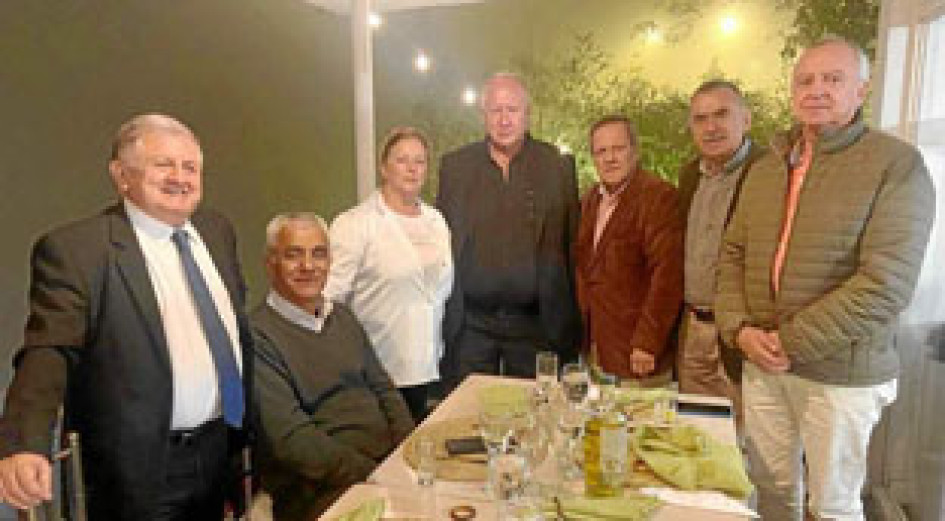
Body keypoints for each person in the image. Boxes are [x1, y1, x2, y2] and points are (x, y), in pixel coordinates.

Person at [716, 37, 935, 521]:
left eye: (832, 80)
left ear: (862, 90)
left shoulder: (896, 165)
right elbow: (731, 254)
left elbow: (887, 283)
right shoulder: (769, 166)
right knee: (771, 492)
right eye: (805, 80)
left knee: (832, 505)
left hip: (840, 374)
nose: (816, 91)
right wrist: (740, 331)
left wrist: (787, 341)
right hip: (763, 362)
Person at [0, 114, 253, 520]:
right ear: (122, 175)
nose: (180, 177)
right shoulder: (78, 251)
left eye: (190, 167)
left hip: (218, 450)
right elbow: (49, 351)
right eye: (163, 164)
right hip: (137, 471)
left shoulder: (217, 232)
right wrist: (23, 443)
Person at [252, 213, 414, 519]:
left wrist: (405, 454)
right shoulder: (258, 336)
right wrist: (375, 475)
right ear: (270, 262)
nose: (308, 266)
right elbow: (293, 443)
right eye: (293, 255)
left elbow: (384, 390)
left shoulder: (343, 318)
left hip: (382, 470)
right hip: (319, 491)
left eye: (318, 254)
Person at [436, 72, 580, 387]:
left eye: (512, 110)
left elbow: (572, 245)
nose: (504, 120)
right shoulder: (455, 167)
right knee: (466, 419)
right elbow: (440, 242)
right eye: (496, 110)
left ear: (527, 116)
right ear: (483, 116)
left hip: (537, 325)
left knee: (535, 418)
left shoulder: (556, 166)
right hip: (471, 326)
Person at [325, 127, 453, 422]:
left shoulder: (437, 221)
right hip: (377, 373)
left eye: (419, 161)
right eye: (402, 160)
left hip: (428, 368)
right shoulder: (355, 224)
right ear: (384, 167)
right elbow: (329, 299)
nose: (411, 169)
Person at [676, 80, 765, 413]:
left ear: (746, 119)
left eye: (721, 115)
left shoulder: (768, 174)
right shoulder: (690, 176)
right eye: (700, 119)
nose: (710, 127)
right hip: (693, 331)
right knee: (696, 427)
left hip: (743, 335)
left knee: (748, 441)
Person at [574, 115, 683, 380]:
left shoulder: (658, 197)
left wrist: (648, 341)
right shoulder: (589, 201)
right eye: (601, 151)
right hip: (598, 346)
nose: (610, 158)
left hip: (638, 353)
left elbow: (667, 275)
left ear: (634, 151)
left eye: (618, 149)